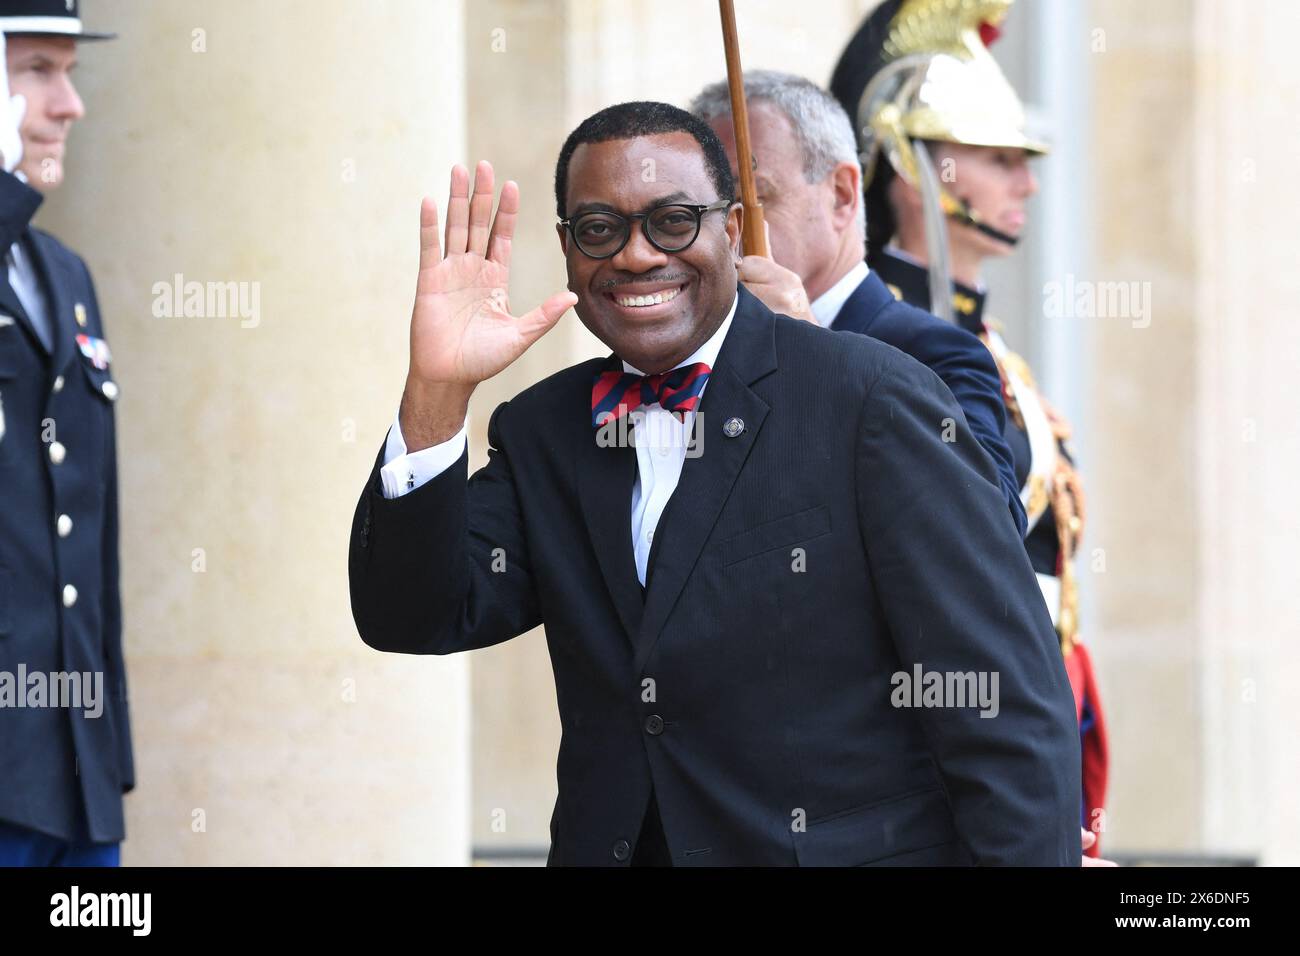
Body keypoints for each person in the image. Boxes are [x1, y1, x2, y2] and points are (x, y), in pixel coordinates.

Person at [348, 100, 1082, 866]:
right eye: (600, 229)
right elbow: (411, 615)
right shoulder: (545, 431)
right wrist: (436, 392)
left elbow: (1002, 710)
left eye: (672, 221)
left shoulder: (867, 399)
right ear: (567, 249)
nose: (636, 256)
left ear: (731, 229)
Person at [830, 0, 1109, 851]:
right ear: (916, 171)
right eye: (998, 159)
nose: (1026, 182)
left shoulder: (984, 344)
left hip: (1027, 710)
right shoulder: (880, 342)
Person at [690, 69, 1025, 536]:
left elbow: (989, 532)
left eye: (755, 198)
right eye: (703, 213)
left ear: (842, 196)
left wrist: (813, 362)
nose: (728, 234)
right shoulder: (690, 370)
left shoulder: (936, 353)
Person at [0, 1, 132, 867]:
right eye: (35, 72)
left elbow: (94, 529)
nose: (68, 105)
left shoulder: (62, 273)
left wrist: (109, 743)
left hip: (73, 766)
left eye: (69, 73)